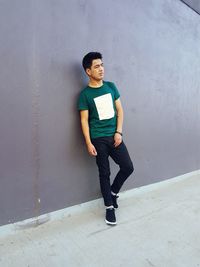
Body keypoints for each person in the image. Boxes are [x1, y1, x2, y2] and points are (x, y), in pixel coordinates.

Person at [78, 52, 134, 225]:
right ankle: (109, 208)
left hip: (114, 136)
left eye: (102, 65)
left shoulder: (111, 86)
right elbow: (84, 120)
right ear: (88, 71)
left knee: (127, 167)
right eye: (96, 66)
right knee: (105, 173)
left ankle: (113, 193)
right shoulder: (85, 95)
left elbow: (120, 111)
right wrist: (88, 142)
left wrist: (119, 132)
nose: (101, 69)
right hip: (98, 138)